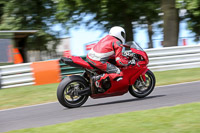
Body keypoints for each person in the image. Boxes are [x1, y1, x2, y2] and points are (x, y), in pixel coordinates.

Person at [86, 26, 135, 91]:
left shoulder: (107, 38)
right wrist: (129, 62)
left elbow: (108, 51)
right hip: (98, 61)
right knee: (118, 73)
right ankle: (97, 79)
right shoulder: (117, 43)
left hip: (89, 57)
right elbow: (119, 61)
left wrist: (123, 55)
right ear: (119, 34)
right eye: (122, 34)